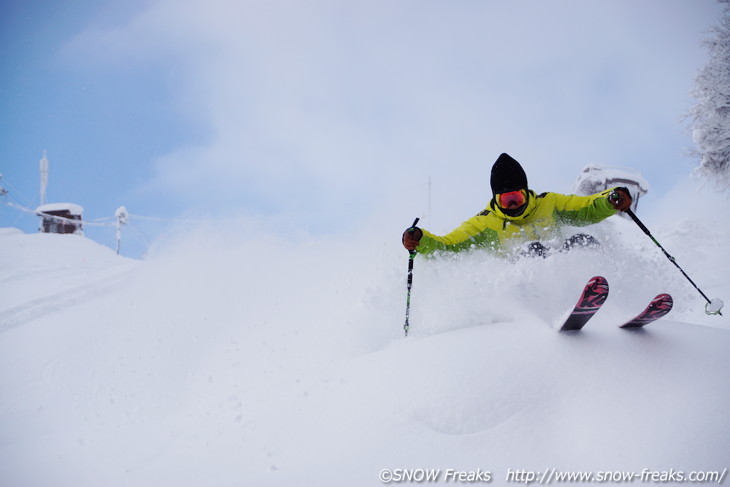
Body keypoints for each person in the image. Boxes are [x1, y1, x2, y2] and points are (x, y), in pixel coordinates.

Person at [402, 153, 632, 258]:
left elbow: (586, 208)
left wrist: (610, 200)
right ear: (495, 200)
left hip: (562, 266)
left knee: (582, 241)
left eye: (517, 198)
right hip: (523, 280)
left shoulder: (549, 203)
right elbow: (449, 246)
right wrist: (421, 240)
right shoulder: (485, 222)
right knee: (533, 250)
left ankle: (597, 290)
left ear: (527, 192)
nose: (512, 206)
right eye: (506, 200)